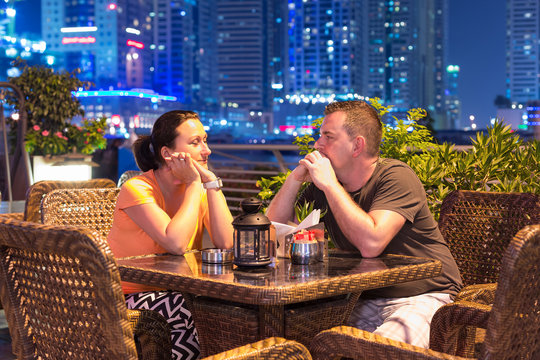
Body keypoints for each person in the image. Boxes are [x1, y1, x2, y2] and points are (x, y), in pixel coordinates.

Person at [266, 100, 462, 348]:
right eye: (319, 136)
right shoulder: (325, 187)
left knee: (378, 351)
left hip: (424, 293)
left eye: (328, 137)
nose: (317, 144)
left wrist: (329, 185)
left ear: (357, 145)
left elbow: (372, 243)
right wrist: (295, 179)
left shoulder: (395, 176)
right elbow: (272, 230)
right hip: (363, 297)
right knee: (302, 340)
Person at [107, 110, 234, 359]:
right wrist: (195, 184)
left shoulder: (197, 191)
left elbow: (227, 242)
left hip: (179, 290)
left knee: (231, 311)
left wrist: (210, 184)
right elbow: (176, 243)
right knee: (187, 309)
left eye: (205, 140)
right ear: (167, 153)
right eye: (195, 142)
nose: (206, 150)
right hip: (128, 296)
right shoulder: (137, 189)